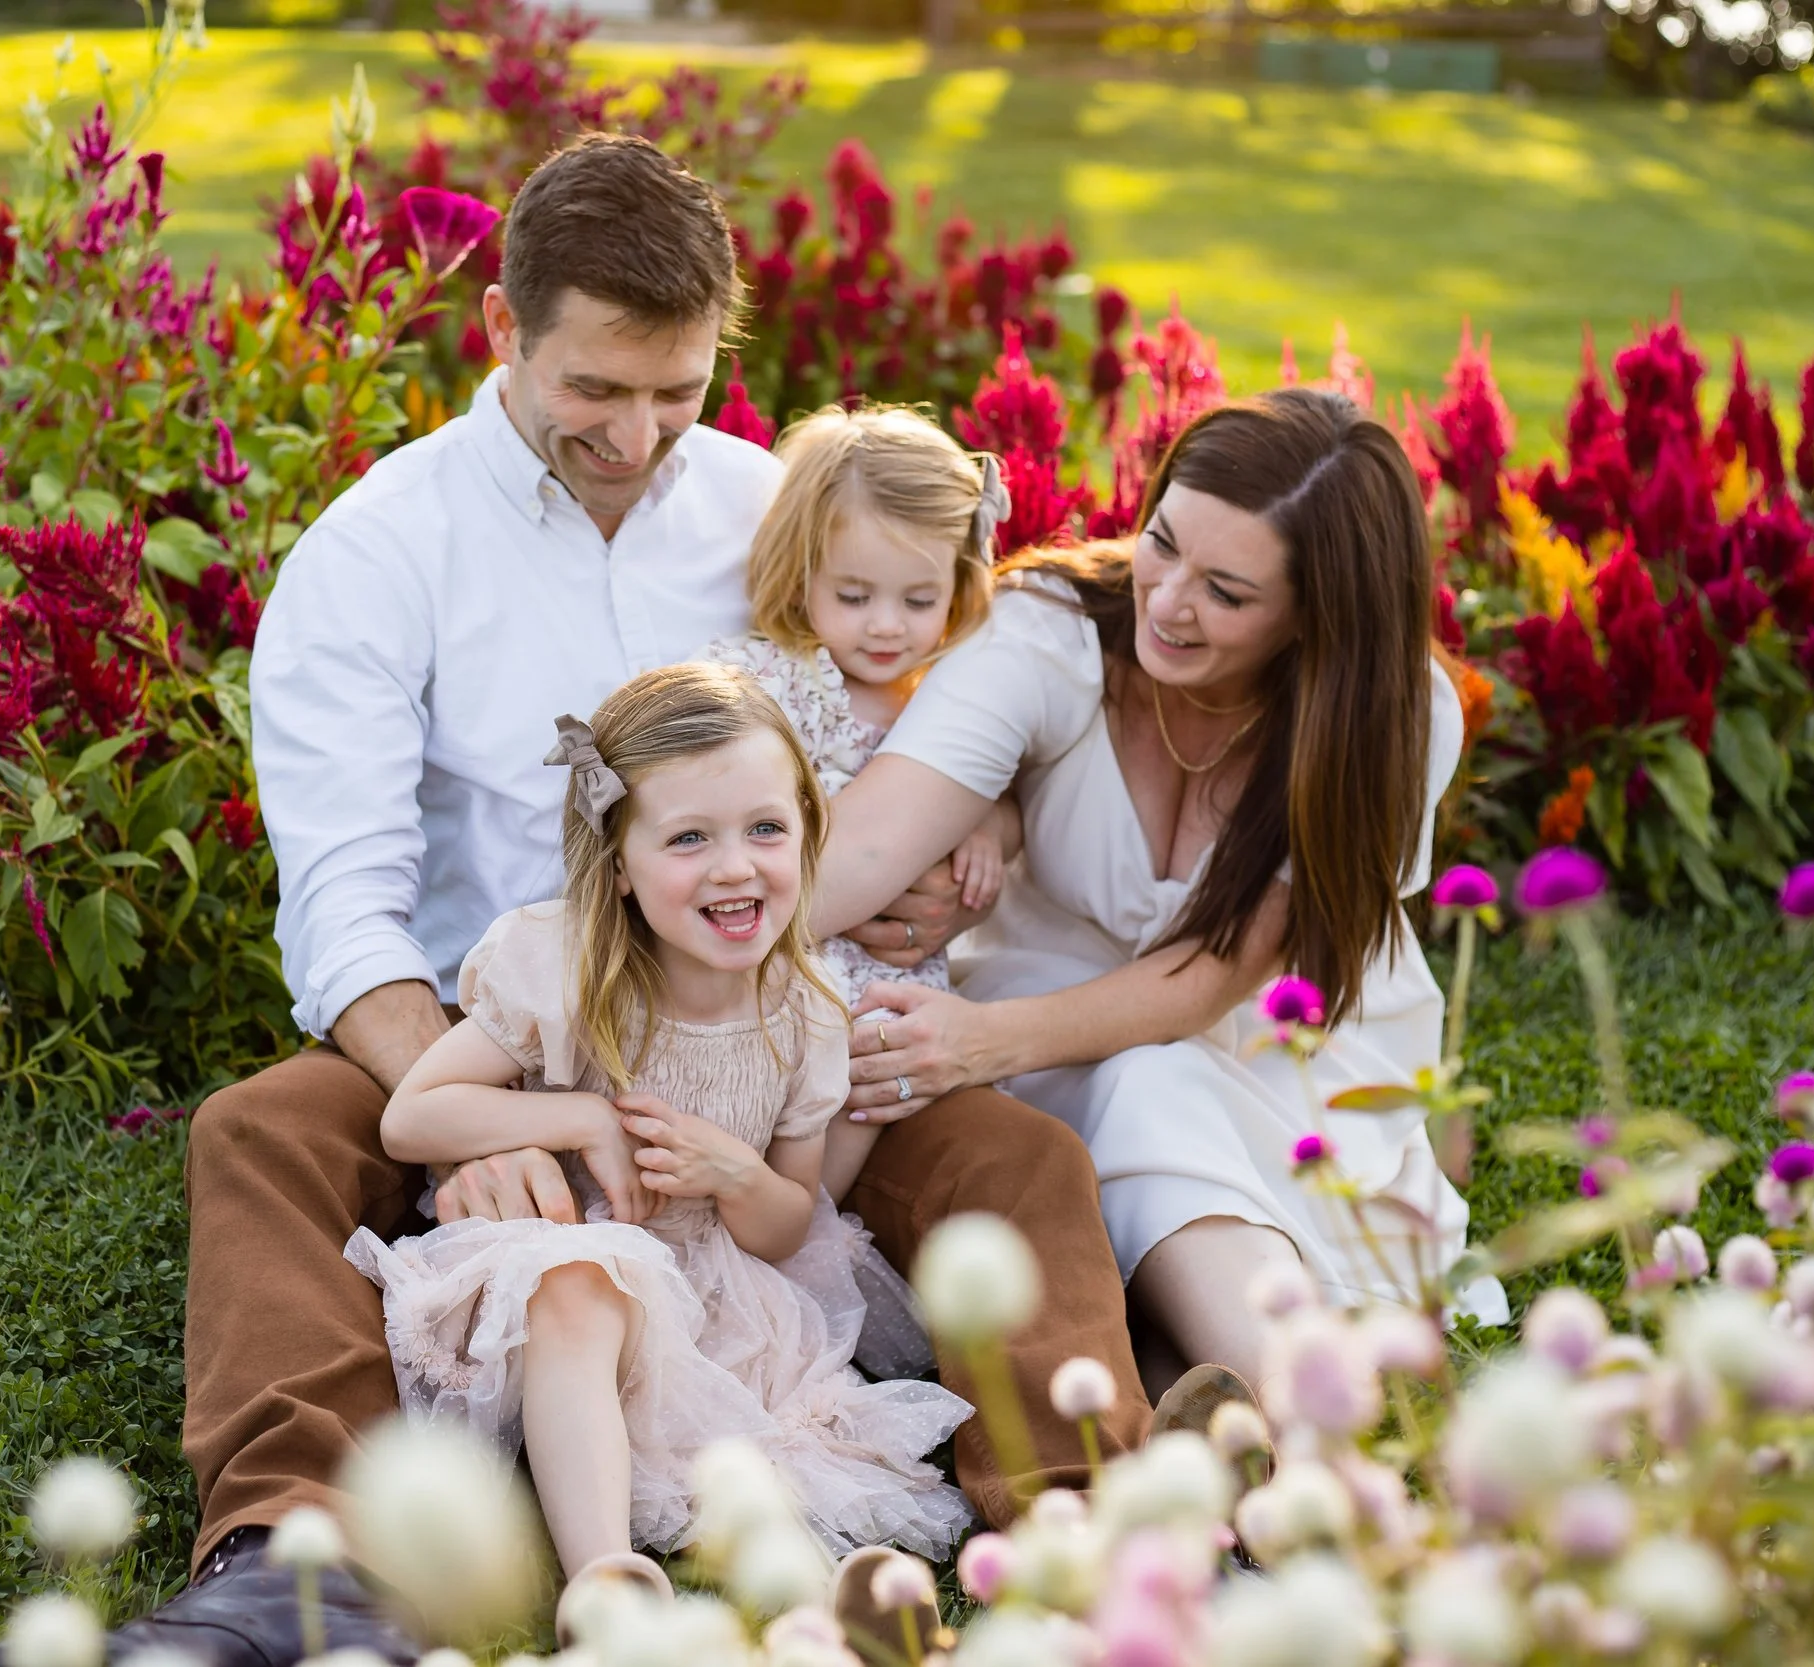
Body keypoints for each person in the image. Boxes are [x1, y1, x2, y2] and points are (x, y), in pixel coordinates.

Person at [87, 134, 1150, 1667]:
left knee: (1018, 1155)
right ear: (505, 334)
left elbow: (919, 681)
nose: (642, 431)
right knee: (256, 1134)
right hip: (485, 1020)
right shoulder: (381, 551)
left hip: (759, 1014)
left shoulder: (767, 508)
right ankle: (292, 1558)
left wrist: (939, 832)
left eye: (681, 388)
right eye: (598, 389)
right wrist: (506, 1116)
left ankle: (1097, 1528)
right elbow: (349, 913)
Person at [814, 387, 1509, 1424]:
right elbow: (865, 844)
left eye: (1226, 591)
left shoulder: (1394, 714)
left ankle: (1269, 1404)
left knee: (1151, 1086)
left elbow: (1220, 973)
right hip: (1047, 1005)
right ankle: (1284, 1408)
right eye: (1161, 541)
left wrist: (974, 1042)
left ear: (1319, 615)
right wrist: (637, 929)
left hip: (1283, 1040)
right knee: (1134, 1095)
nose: (1168, 600)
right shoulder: (1046, 633)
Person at [350, 666, 976, 1633]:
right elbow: (413, 1117)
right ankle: (601, 1581)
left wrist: (736, 1173)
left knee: (759, 1445)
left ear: (809, 832)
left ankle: (819, 1606)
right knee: (582, 1284)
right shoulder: (562, 969)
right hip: (557, 1266)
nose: (736, 866)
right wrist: (578, 1121)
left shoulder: (805, 1015)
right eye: (690, 838)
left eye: (766, 828)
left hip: (717, 1294)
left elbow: (786, 1227)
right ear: (618, 865)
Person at [703, 402, 1018, 1202]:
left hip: (889, 984)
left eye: (919, 600)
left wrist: (989, 822)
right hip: (778, 962)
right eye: (853, 594)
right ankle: (750, 1212)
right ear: (800, 569)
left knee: (877, 1063)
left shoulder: (953, 703)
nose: (886, 626)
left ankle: (807, 1228)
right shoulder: (775, 681)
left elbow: (1000, 788)